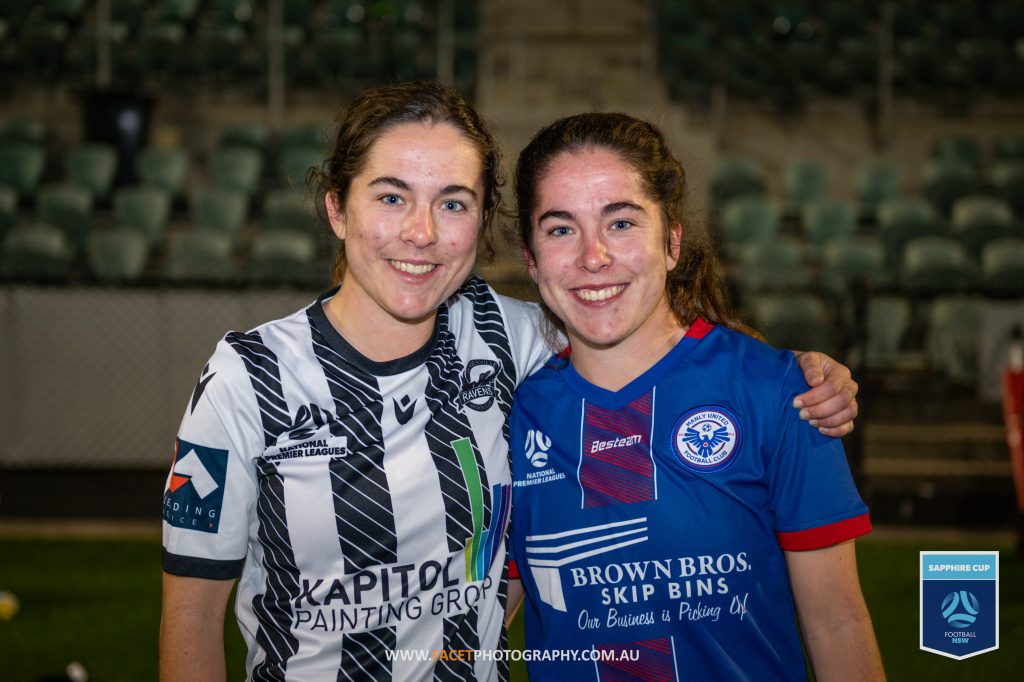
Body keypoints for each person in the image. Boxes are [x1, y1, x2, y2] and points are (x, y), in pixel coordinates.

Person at [159, 82, 861, 681]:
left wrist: (797, 373)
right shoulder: (245, 377)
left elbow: (639, 320)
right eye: (391, 197)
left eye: (454, 203)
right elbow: (190, 615)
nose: (423, 233)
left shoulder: (509, 338)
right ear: (337, 208)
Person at [506, 113, 884, 680]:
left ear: (672, 243)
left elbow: (837, 624)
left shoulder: (778, 391)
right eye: (561, 229)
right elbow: (478, 617)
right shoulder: (516, 415)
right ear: (532, 260)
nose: (593, 257)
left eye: (622, 223)